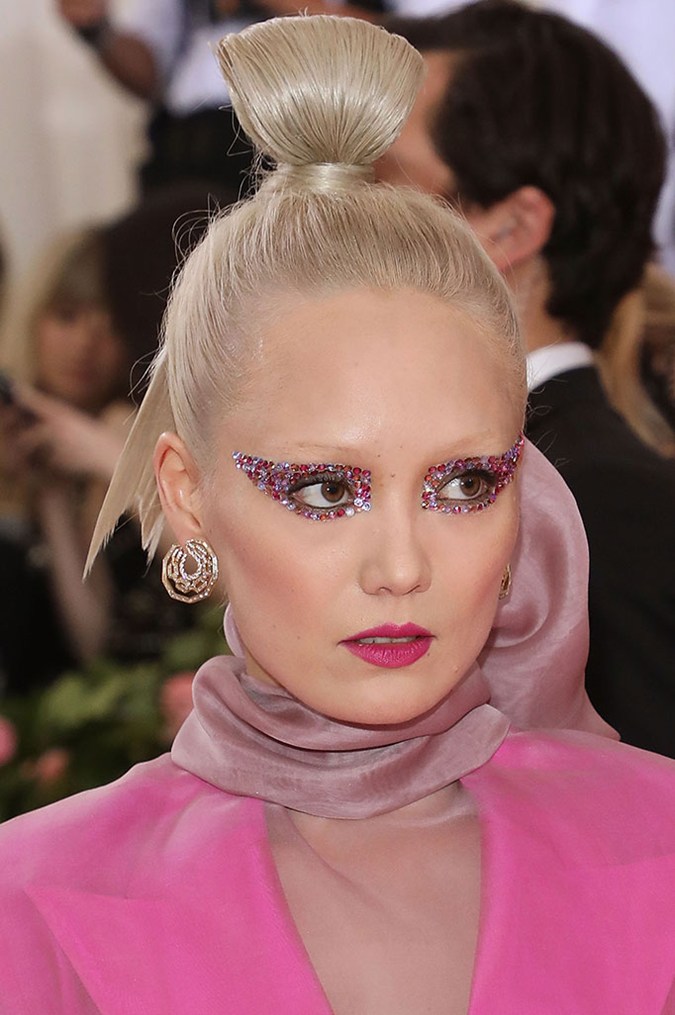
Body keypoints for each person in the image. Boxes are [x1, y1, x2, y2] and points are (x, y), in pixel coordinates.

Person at [0, 15, 673, 1012]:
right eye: (324, 490)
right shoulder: (34, 899)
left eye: (462, 484)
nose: (401, 566)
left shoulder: (656, 847)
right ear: (187, 495)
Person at [379, 0, 675, 758]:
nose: (322, 220)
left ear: (509, 229)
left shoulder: (602, 505)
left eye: (378, 182)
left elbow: (639, 812)